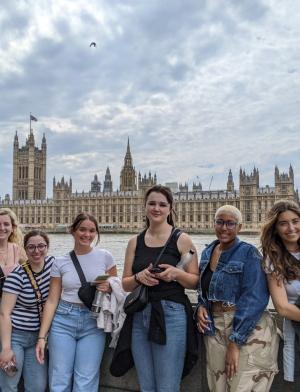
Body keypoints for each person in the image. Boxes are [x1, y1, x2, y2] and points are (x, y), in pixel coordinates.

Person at [120, 185, 199, 392]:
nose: (157, 208)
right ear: (144, 206)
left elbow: (195, 281)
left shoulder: (182, 239)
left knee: (167, 386)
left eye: (162, 204)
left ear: (170, 208)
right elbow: (126, 284)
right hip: (140, 315)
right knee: (147, 386)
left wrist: (176, 273)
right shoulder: (134, 242)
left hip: (171, 314)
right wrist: (140, 276)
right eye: (152, 203)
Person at [196, 205, 278, 392]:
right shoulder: (207, 252)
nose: (224, 227)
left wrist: (236, 341)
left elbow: (254, 299)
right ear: (214, 223)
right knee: (218, 387)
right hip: (215, 328)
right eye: (220, 222)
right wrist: (201, 305)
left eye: (230, 223)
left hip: (248, 329)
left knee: (245, 386)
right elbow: (205, 288)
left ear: (239, 227)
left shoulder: (249, 253)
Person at [36, 212, 117, 392]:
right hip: (63, 320)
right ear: (73, 231)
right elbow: (52, 300)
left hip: (93, 322)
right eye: (82, 230)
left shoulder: (106, 257)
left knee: (86, 380)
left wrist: (109, 287)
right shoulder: (60, 262)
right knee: (59, 378)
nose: (87, 235)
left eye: (91, 231)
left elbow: (116, 289)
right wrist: (42, 337)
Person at [0, 230, 53, 392]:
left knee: (37, 386)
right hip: (16, 336)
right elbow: (4, 313)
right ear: (25, 249)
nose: (36, 251)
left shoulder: (54, 265)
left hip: (38, 337)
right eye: (31, 247)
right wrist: (6, 348)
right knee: (10, 383)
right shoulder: (17, 276)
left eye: (40, 246)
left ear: (47, 247)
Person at [261, 200, 300, 384]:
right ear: (275, 228)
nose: (291, 227)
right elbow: (282, 308)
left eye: (295, 221)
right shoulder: (273, 260)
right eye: (283, 223)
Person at [0, 208, 26, 296]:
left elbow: (31, 276)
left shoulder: (18, 250)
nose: (2, 228)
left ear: (13, 228)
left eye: (6, 224)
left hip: (14, 305)